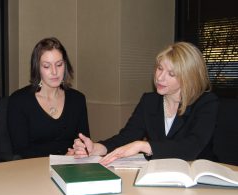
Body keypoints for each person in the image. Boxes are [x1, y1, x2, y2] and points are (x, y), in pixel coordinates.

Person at [69, 41, 219, 165]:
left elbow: (191, 147)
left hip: (198, 177)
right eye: (159, 68)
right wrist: (96, 148)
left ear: (188, 77)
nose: (160, 77)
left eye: (171, 74)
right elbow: (127, 137)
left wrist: (143, 145)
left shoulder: (206, 103)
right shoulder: (149, 101)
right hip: (160, 175)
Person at [7, 37, 90, 159]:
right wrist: (60, 159)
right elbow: (21, 151)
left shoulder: (78, 99)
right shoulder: (19, 101)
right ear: (37, 68)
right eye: (46, 66)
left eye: (59, 64)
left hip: (71, 168)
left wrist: (80, 149)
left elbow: (84, 140)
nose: (54, 71)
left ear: (65, 65)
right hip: (32, 170)